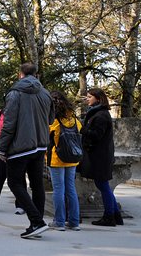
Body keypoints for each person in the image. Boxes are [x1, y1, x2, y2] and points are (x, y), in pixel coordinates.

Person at [0, 62, 54, 239]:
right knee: (37, 185)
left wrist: (2, 148)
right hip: (40, 145)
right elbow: (51, 119)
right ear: (35, 74)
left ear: (20, 74)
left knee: (15, 183)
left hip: (20, 147)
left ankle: (37, 221)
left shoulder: (15, 93)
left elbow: (9, 124)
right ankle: (36, 223)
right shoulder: (45, 93)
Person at [80, 88, 122, 226]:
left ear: (98, 99)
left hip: (100, 156)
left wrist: (83, 129)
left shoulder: (101, 115)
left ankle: (109, 217)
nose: (87, 99)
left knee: (103, 185)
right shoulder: (99, 113)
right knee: (103, 185)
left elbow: (97, 135)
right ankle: (116, 215)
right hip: (100, 155)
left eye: (89, 96)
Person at [47, 91, 82, 231]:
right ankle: (74, 222)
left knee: (58, 190)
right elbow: (80, 130)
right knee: (71, 189)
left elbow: (47, 138)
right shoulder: (73, 118)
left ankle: (59, 222)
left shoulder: (54, 121)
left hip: (57, 158)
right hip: (72, 158)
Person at [0, 108, 24, 215]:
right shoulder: (1, 112)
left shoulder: (21, 111)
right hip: (4, 150)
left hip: (18, 150)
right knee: (0, 177)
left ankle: (21, 204)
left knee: (19, 178)